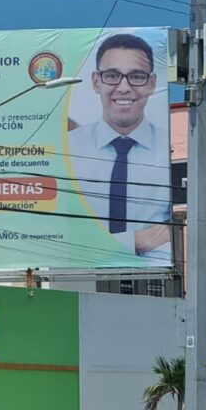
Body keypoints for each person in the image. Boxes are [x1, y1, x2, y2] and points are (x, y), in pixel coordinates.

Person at [68, 33, 172, 260]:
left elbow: (180, 232)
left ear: (152, 83)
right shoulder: (67, 151)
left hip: (154, 278)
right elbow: (58, 234)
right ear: (96, 81)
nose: (124, 88)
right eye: (112, 76)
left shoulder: (172, 152)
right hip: (76, 276)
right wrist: (137, 240)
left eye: (136, 76)